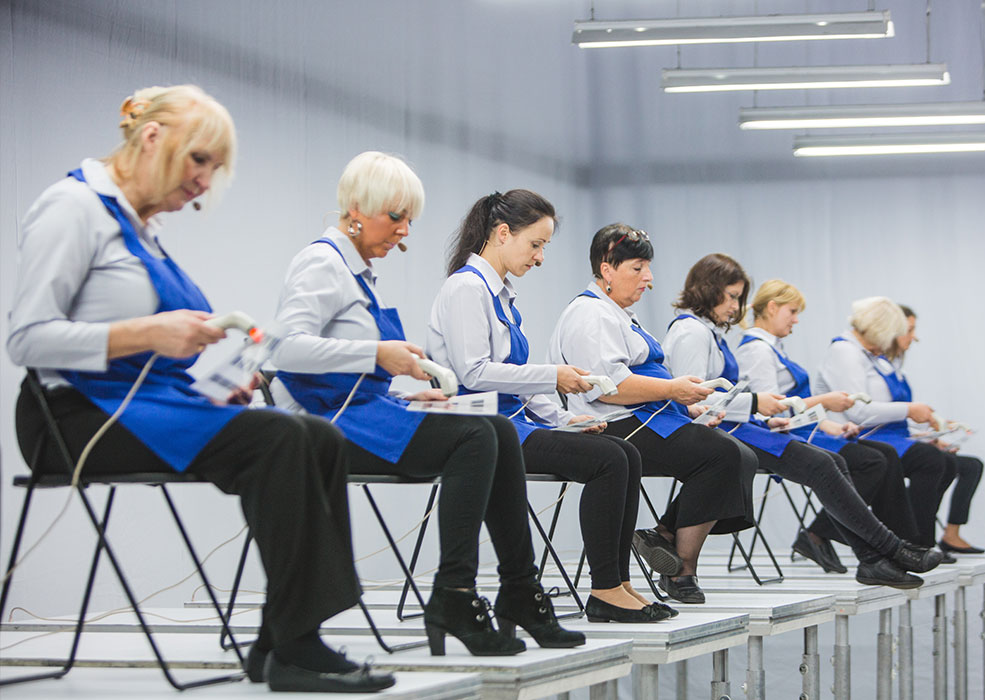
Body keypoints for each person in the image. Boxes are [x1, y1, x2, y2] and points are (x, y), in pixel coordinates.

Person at [7, 86, 394, 692]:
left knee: (316, 437)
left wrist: (209, 389)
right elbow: (27, 340)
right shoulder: (72, 208)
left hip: (146, 403)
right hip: (74, 416)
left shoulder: (140, 229)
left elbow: (148, 351)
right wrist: (148, 331)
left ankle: (281, 640)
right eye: (199, 161)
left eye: (214, 170)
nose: (205, 182)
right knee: (277, 440)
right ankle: (296, 647)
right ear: (153, 139)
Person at [269, 153, 584, 657]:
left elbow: (355, 372)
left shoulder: (358, 271)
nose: (405, 232)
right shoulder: (322, 263)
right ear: (355, 208)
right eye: (396, 217)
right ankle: (455, 593)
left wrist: (406, 390)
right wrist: (377, 354)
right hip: (328, 424)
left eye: (409, 220)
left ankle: (518, 588)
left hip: (367, 410)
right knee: (480, 434)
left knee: (495, 430)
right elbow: (283, 351)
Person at [427, 190, 670, 623]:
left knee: (626, 454)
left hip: (511, 422)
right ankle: (604, 589)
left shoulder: (501, 293)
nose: (540, 258)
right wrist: (553, 377)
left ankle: (620, 582)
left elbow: (519, 371)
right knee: (610, 461)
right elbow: (474, 373)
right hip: (481, 428)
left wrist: (564, 418)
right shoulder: (466, 289)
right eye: (536, 245)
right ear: (503, 234)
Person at [664, 255, 940, 587]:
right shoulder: (704, 335)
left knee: (837, 461)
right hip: (725, 428)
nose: (738, 307)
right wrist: (771, 405)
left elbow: (738, 401)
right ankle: (888, 549)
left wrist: (813, 419)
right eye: (733, 296)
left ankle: (875, 556)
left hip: (739, 423)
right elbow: (694, 397)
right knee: (842, 464)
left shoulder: (713, 335)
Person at [547, 224, 758, 604]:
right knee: (722, 454)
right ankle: (681, 569)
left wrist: (683, 402)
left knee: (741, 455)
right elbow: (608, 387)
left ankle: (665, 536)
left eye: (648, 268)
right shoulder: (590, 315)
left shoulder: (618, 314)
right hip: (615, 423)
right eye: (638, 268)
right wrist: (672, 390)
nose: (649, 278)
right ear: (607, 269)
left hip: (646, 415)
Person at [735, 279, 933, 566]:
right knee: (872, 461)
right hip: (775, 436)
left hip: (803, 431)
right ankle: (883, 546)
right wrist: (824, 402)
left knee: (881, 457)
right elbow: (772, 412)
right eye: (792, 312)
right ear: (772, 308)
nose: (796, 319)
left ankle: (893, 545)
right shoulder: (758, 351)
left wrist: (831, 425)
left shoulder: (773, 348)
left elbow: (790, 409)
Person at [814, 297, 956, 550]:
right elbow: (859, 411)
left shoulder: (864, 355)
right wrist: (910, 410)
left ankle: (902, 542)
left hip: (858, 434)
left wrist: (920, 431)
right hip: (841, 435)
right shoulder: (845, 352)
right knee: (918, 460)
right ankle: (911, 542)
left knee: (925, 459)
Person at [892, 305, 985, 554]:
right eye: (909, 330)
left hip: (901, 442)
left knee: (968, 464)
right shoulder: (875, 367)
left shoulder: (895, 369)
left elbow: (895, 419)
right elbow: (868, 419)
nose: (914, 337)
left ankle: (948, 534)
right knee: (936, 462)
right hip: (884, 446)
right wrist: (923, 438)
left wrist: (930, 434)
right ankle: (916, 539)